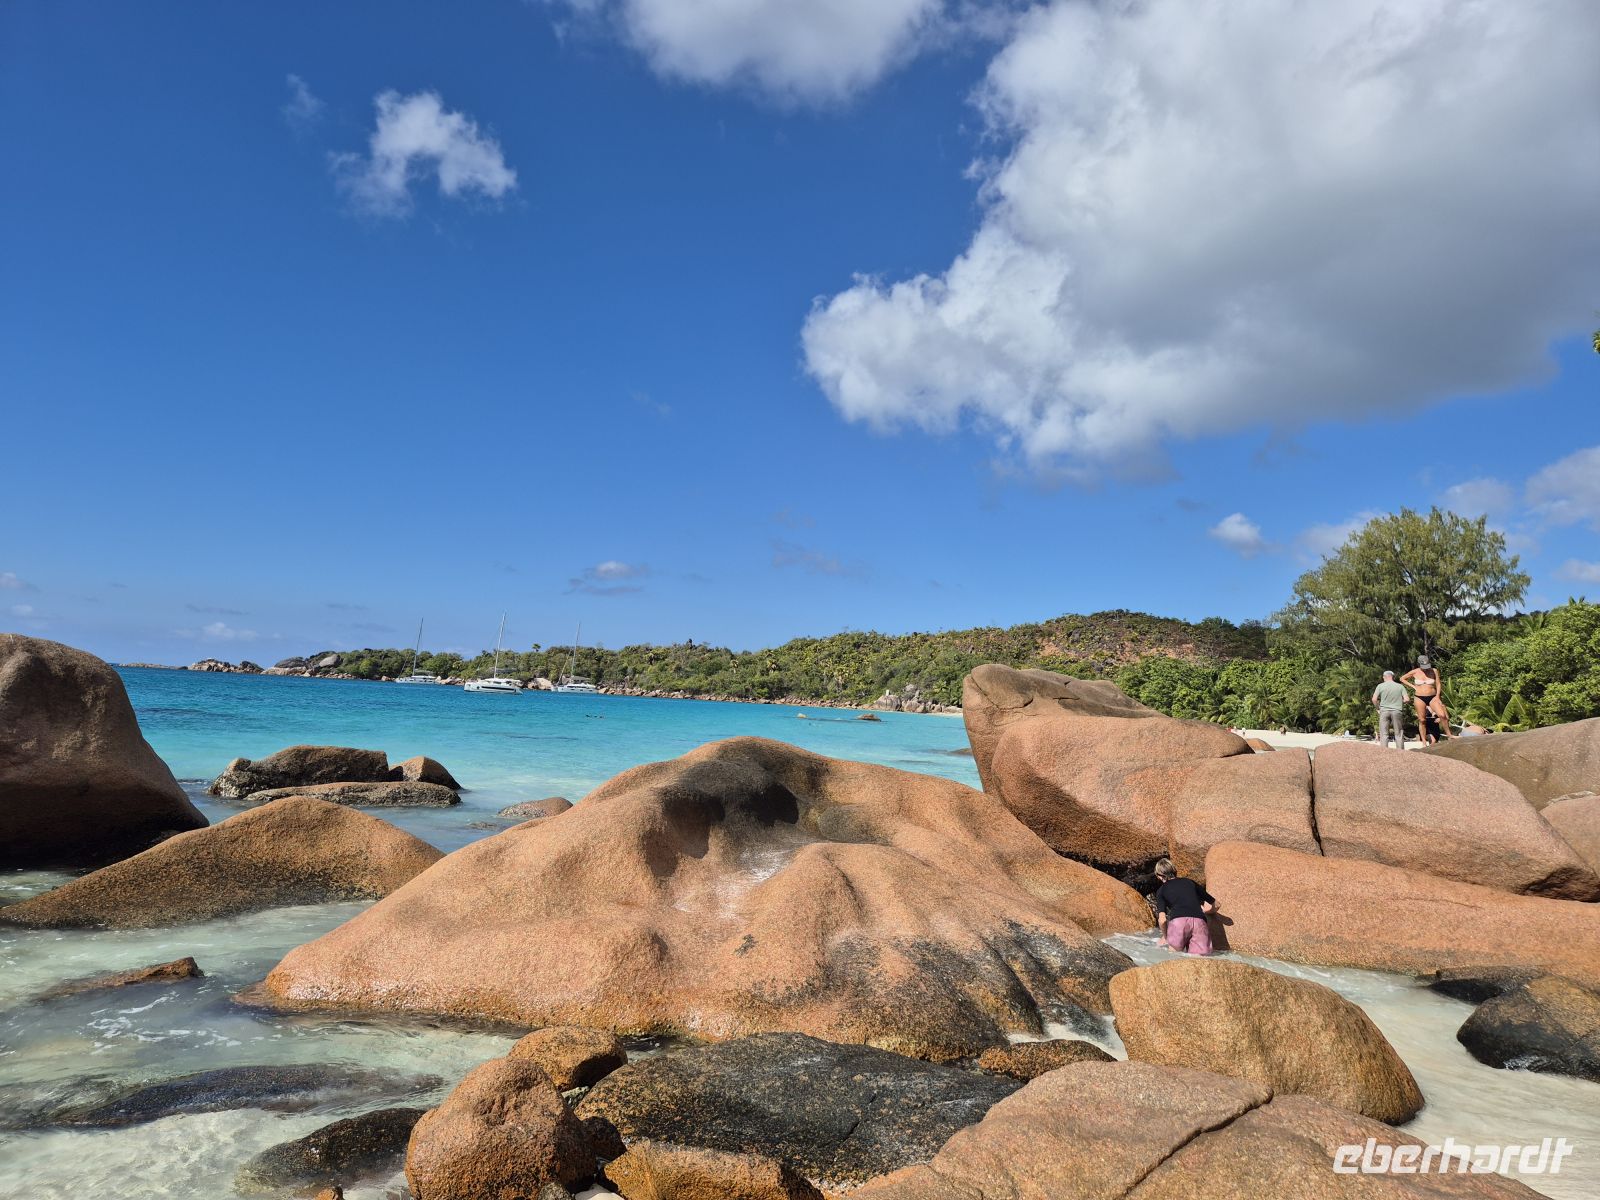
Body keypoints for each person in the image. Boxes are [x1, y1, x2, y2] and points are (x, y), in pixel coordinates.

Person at [1152, 858, 1216, 955]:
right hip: (1199, 921)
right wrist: (1208, 912)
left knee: (1174, 959)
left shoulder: (1161, 890)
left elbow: (1162, 920)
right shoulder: (1190, 882)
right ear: (1174, 871)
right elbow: (1216, 904)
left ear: (1159, 876)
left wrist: (1166, 937)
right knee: (1200, 960)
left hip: (1178, 923)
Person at [1401, 655, 1452, 741]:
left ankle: (1449, 735)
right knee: (1422, 720)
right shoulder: (1414, 672)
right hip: (1419, 697)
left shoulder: (1434, 671)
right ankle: (1424, 741)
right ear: (1419, 664)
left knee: (1442, 715)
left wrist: (1437, 696)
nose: (1426, 668)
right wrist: (1413, 686)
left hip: (1433, 697)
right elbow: (1402, 678)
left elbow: (1438, 684)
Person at [1372, 670, 1409, 749]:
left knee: (1384, 733)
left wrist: (1378, 708)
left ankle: (1384, 752)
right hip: (1397, 711)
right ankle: (1400, 752)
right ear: (1393, 677)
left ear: (1384, 677)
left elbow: (1374, 699)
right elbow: (1407, 699)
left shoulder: (1380, 686)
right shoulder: (1400, 686)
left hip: (1384, 711)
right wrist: (1399, 702)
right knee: (1398, 733)